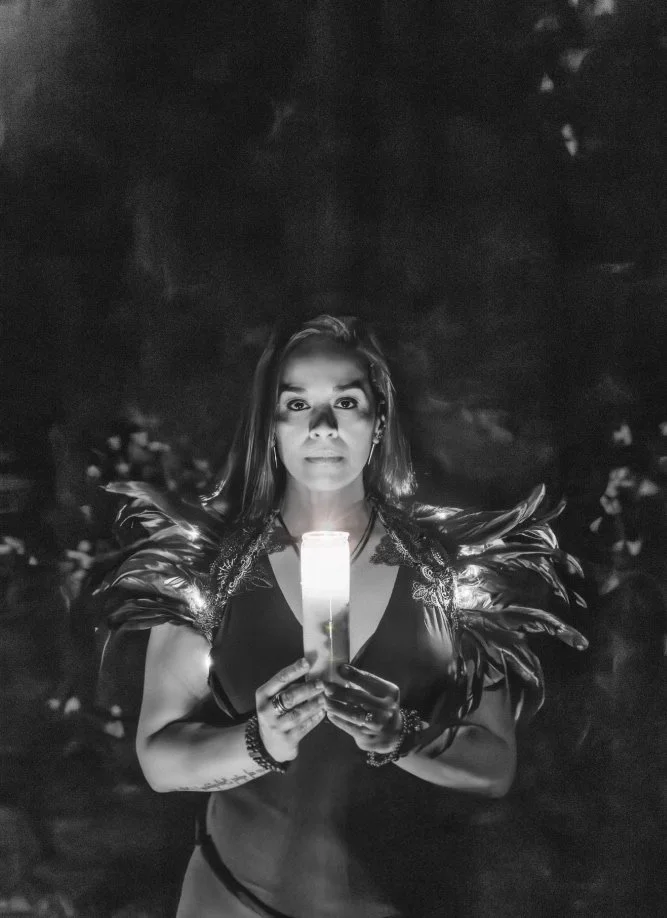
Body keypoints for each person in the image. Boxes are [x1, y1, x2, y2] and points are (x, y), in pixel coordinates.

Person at [96, 314, 588, 918]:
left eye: (345, 401)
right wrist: (258, 740)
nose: (322, 426)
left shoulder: (452, 572)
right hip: (233, 898)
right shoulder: (207, 569)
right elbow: (159, 757)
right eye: (297, 403)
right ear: (270, 426)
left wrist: (400, 736)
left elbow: (494, 764)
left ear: (378, 421)